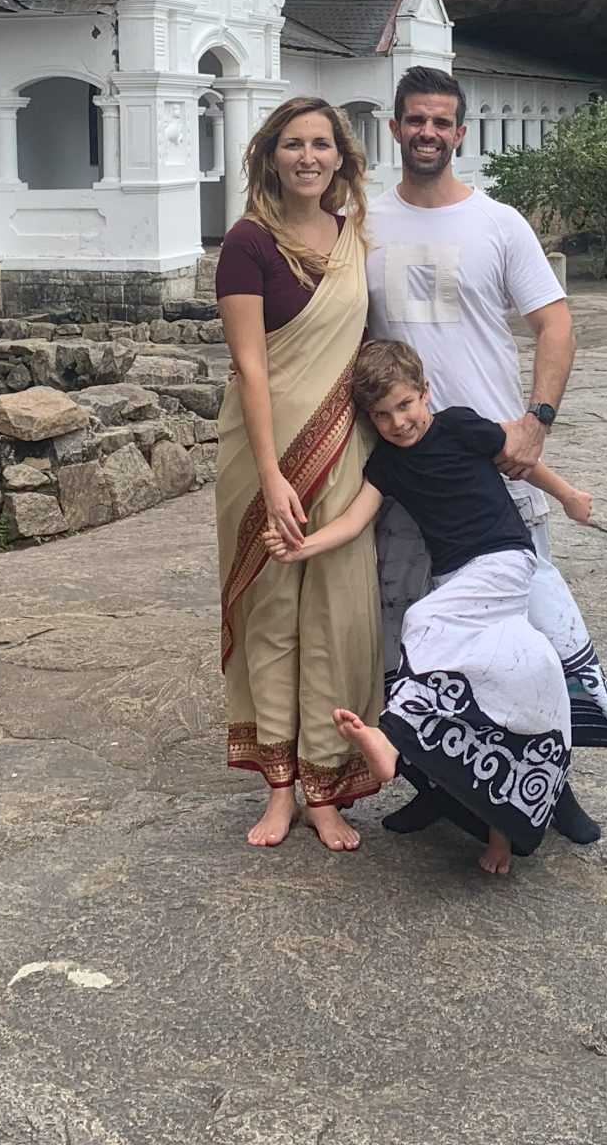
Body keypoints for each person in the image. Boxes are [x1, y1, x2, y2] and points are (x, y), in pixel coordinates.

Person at [364, 65, 607, 849]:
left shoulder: (499, 223)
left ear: (459, 133)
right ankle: (443, 788)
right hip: (409, 481)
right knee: (416, 639)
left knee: (533, 638)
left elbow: (556, 324)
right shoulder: (366, 225)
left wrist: (536, 421)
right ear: (395, 128)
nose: (426, 133)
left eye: (441, 122)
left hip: (493, 472)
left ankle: (552, 791)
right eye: (414, 120)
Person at [263, 339, 592, 874]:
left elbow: (521, 464)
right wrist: (303, 546)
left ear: (425, 392)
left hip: (503, 561)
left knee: (422, 620)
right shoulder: (387, 465)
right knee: (487, 691)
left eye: (405, 405)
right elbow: (353, 522)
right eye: (383, 414)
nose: (398, 422)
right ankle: (498, 837)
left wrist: (569, 494)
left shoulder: (461, 426)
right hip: (459, 583)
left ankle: (391, 742)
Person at [214, 95, 383, 851]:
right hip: (263, 460)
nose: (308, 157)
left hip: (343, 450)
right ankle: (279, 789)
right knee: (274, 616)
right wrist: (276, 472)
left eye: (321, 145)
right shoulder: (248, 243)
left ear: (341, 158)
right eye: (293, 145)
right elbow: (250, 367)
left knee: (334, 617)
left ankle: (325, 788)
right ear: (270, 157)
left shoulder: (356, 241)